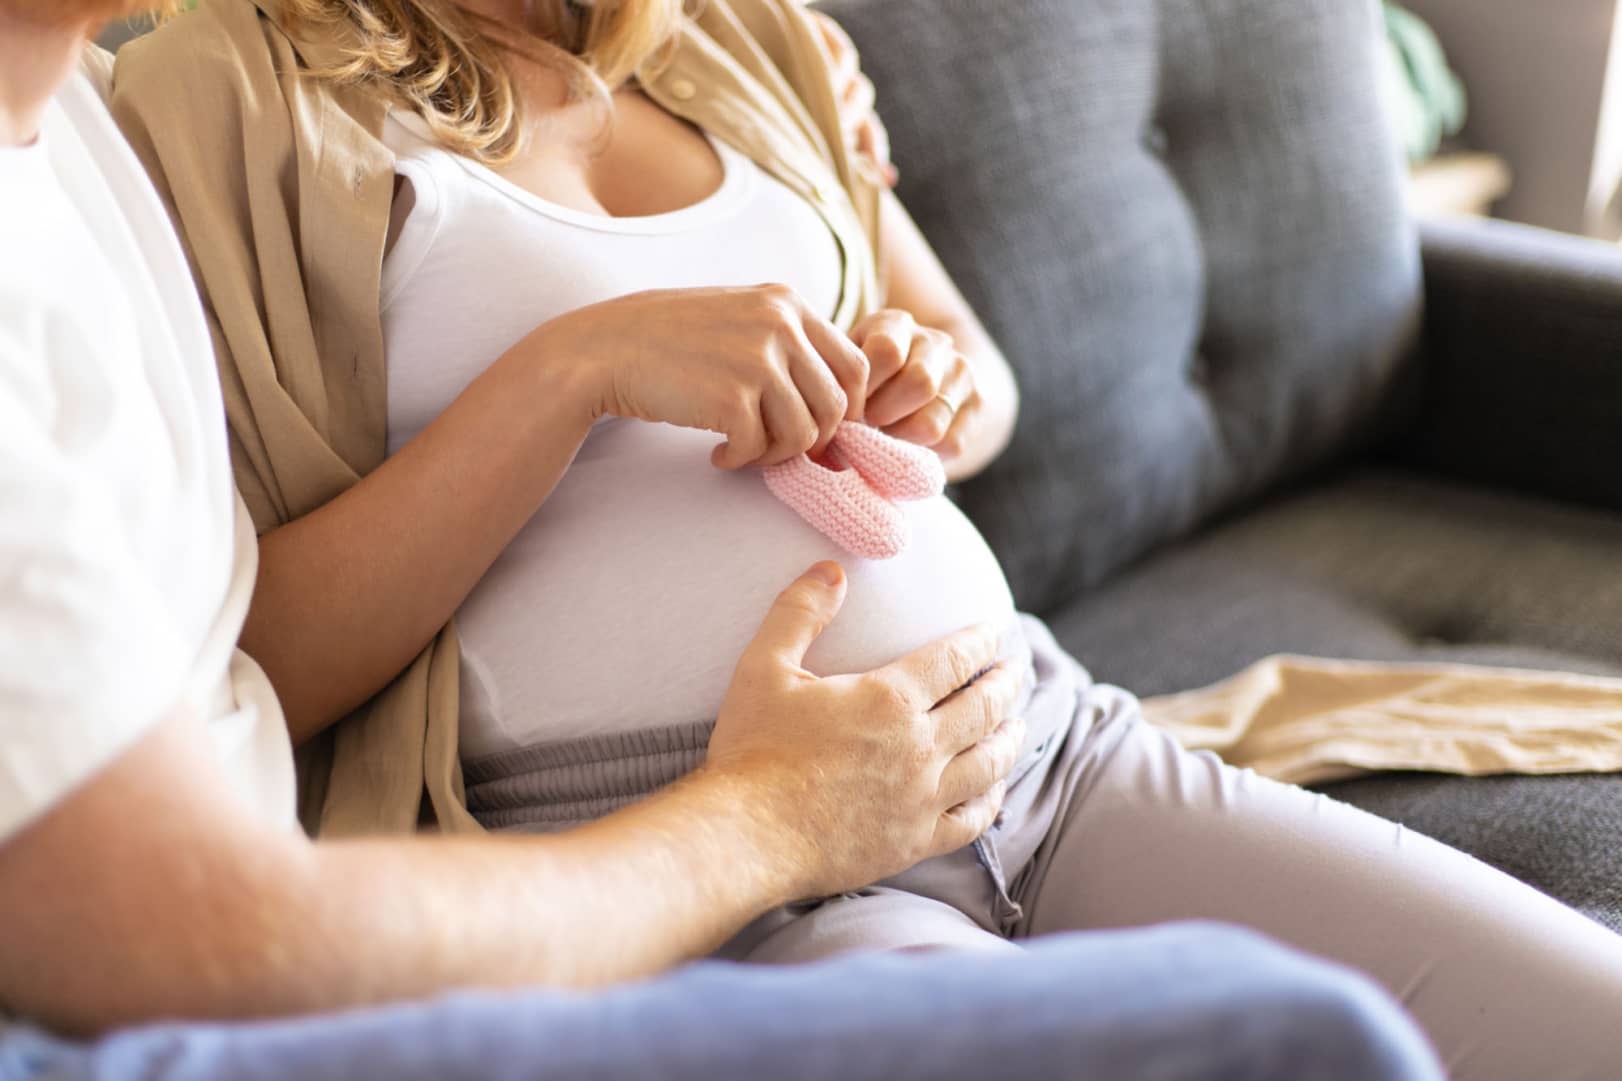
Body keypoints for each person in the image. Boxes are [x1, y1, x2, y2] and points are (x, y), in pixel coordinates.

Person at [97, 1, 1622, 1076]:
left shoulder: (734, 34)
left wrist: (932, 378)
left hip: (1038, 748)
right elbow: (250, 657)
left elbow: (978, 380)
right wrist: (568, 375)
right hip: (707, 875)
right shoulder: (215, 93)